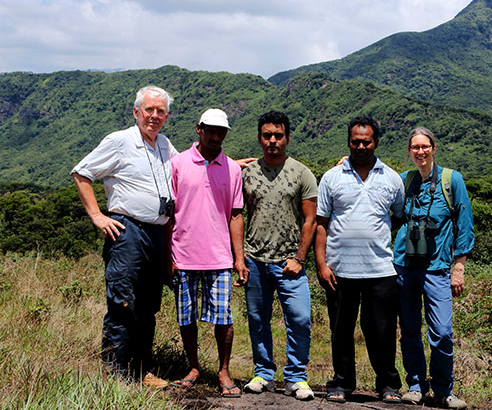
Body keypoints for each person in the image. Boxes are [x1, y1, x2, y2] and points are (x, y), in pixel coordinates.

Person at [71, 86, 177, 388]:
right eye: (149, 110)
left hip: (157, 233)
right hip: (127, 230)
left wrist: (227, 165)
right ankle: (115, 374)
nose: (154, 116)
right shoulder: (120, 141)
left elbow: (187, 169)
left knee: (148, 305)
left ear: (166, 116)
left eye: (160, 112)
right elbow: (82, 173)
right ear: (136, 112)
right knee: (123, 303)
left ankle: (142, 370)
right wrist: (97, 216)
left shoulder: (165, 145)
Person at [315, 116, 404, 404]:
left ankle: (388, 385)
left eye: (366, 141)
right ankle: (341, 383)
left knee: (382, 330)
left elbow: (399, 221)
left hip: (381, 269)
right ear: (349, 142)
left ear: (376, 142)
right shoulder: (332, 177)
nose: (361, 146)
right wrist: (321, 264)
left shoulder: (392, 178)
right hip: (340, 270)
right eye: (356, 141)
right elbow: (321, 224)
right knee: (341, 330)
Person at [393, 127, 474, 410]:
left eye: (424, 146)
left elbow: (465, 225)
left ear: (434, 148)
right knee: (410, 329)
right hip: (404, 265)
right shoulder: (405, 181)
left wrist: (459, 267)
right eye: (415, 147)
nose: (420, 152)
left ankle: (443, 390)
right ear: (409, 151)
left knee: (441, 332)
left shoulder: (452, 181)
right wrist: (348, 164)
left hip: (437, 268)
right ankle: (415, 386)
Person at [240, 111, 318, 401]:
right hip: (255, 259)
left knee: (299, 318)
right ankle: (263, 373)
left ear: (287, 137)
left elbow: (310, 220)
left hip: (289, 262)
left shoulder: (301, 173)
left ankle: (296, 377)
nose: (272, 141)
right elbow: (237, 214)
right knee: (257, 319)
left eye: (278, 135)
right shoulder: (247, 173)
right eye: (267, 135)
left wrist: (299, 258)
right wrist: (240, 258)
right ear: (259, 138)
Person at [168, 108, 245, 397]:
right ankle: (194, 367)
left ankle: (223, 371)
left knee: (223, 316)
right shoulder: (177, 163)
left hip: (219, 256)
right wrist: (168, 256)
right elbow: (169, 214)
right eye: (210, 130)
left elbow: (236, 215)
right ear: (198, 129)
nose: (216, 136)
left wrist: (239, 258)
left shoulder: (233, 168)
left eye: (221, 131)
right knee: (185, 316)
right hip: (183, 254)